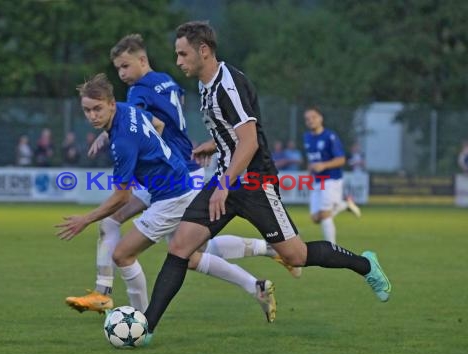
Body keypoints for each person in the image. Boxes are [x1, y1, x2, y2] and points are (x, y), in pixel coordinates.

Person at [142, 21, 392, 344]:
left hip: (253, 183)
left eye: (182, 54)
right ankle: (145, 328)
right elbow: (235, 135)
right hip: (227, 177)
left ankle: (365, 264)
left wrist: (223, 185)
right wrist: (215, 143)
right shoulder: (206, 84)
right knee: (180, 247)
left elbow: (250, 144)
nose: (178, 61)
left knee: (296, 255)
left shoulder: (228, 84)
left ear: (203, 51)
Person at [65, 34, 300, 320]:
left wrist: (149, 155)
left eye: (125, 66)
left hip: (175, 174)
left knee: (181, 248)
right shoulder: (164, 79)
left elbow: (150, 126)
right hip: (184, 166)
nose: (122, 74)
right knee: (186, 249)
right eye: (118, 69)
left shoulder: (138, 92)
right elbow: (157, 121)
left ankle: (115, 301)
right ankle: (261, 274)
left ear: (142, 60)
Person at [304, 106, 361, 243]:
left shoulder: (330, 136)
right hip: (318, 180)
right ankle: (345, 205)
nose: (310, 121)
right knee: (315, 218)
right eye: (307, 119)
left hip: (331, 179)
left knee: (324, 215)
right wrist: (310, 171)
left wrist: (323, 165)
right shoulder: (306, 137)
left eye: (313, 117)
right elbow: (312, 159)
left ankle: (332, 248)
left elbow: (341, 160)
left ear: (320, 118)